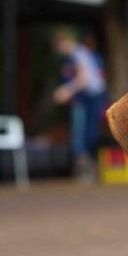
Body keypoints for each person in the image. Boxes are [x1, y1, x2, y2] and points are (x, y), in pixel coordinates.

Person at [52, 28, 107, 183]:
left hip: (92, 96)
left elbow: (85, 78)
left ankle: (89, 169)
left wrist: (67, 90)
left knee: (87, 133)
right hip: (83, 98)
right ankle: (84, 169)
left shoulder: (78, 54)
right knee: (81, 133)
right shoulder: (74, 56)